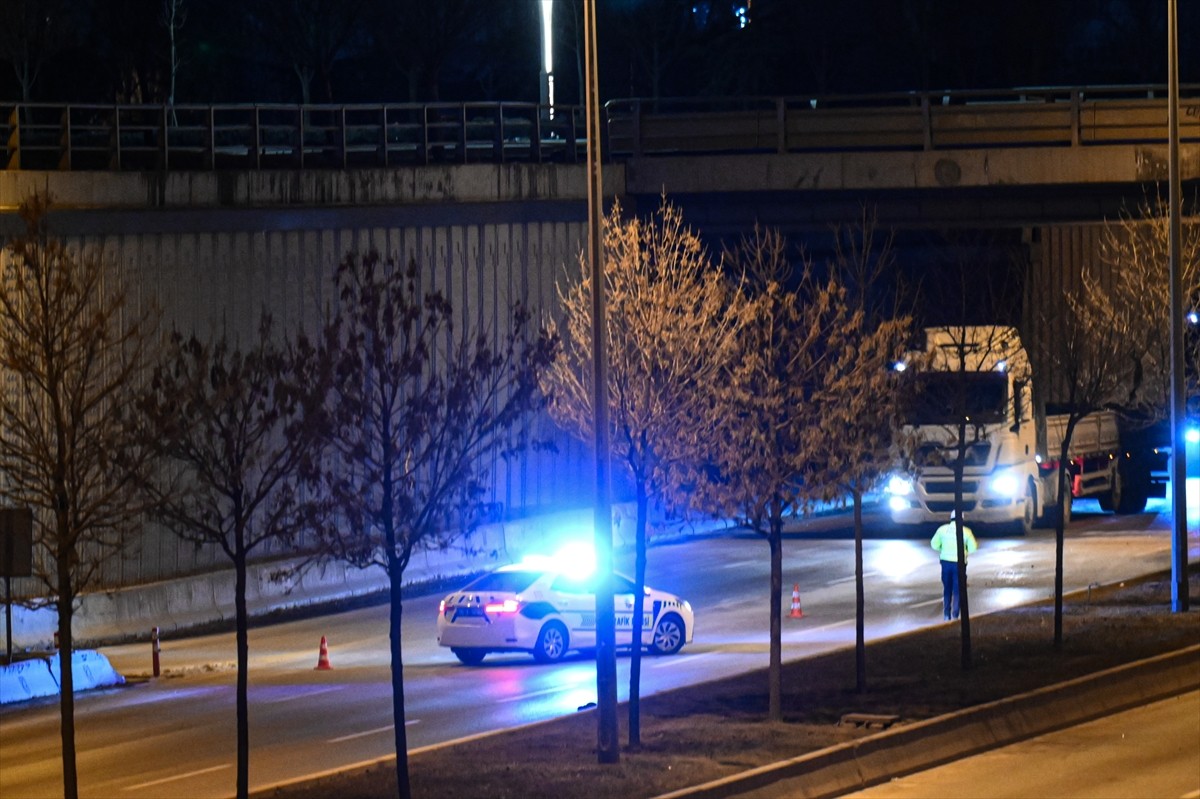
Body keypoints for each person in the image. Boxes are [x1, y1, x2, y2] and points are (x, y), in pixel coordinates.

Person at [931, 510, 977, 621]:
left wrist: (942, 549)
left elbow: (934, 544)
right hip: (959, 564)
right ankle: (955, 614)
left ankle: (946, 614)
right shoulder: (966, 531)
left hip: (945, 563)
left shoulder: (942, 529)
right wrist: (965, 550)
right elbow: (973, 548)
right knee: (957, 589)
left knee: (947, 588)